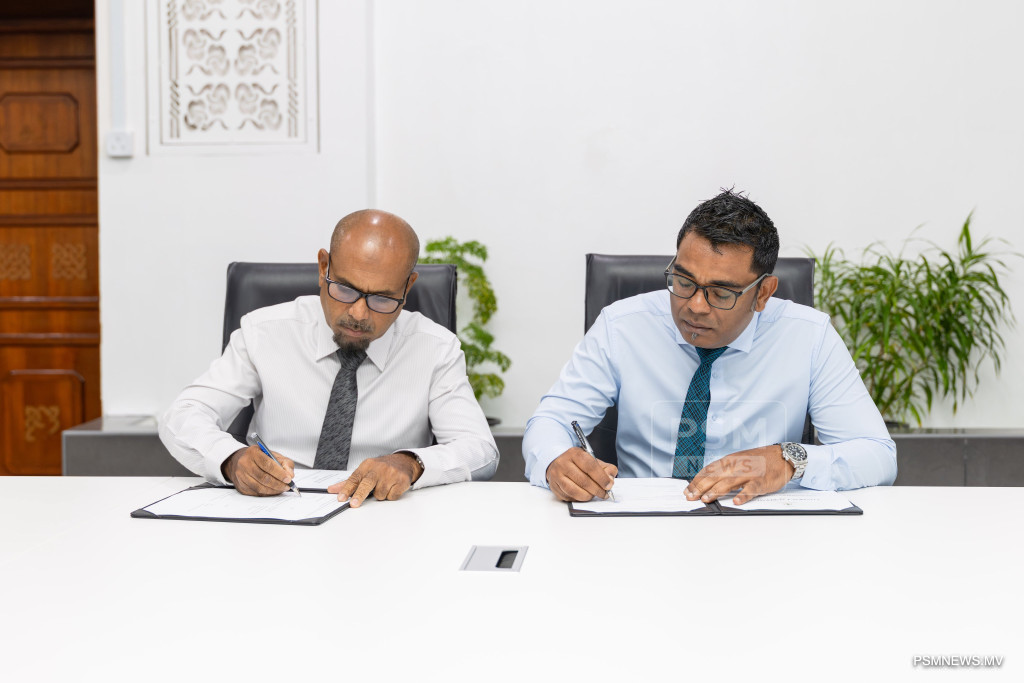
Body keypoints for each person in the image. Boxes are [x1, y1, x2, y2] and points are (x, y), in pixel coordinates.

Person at [523, 190, 896, 505]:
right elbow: (551, 421)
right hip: (642, 525)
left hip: (764, 528)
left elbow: (878, 456)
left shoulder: (809, 336)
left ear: (763, 293)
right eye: (684, 281)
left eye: (721, 293)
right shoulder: (622, 326)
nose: (696, 306)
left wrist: (787, 460)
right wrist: (556, 461)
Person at [159, 209, 498, 506]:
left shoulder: (435, 348)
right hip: (276, 509)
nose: (359, 314)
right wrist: (231, 460)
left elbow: (480, 449)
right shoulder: (264, 331)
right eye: (345, 289)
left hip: (383, 515)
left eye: (382, 298)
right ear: (323, 268)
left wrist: (412, 464)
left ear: (407, 288)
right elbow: (183, 414)